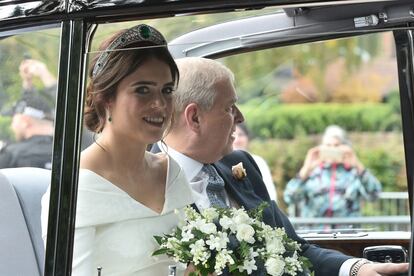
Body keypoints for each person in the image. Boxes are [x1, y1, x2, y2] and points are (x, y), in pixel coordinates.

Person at [154, 57, 408, 276]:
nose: (241, 118)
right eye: (230, 107)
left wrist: (355, 268)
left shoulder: (241, 165)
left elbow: (294, 248)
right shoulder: (145, 182)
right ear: (195, 117)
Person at [41, 24, 194, 275]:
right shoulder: (76, 187)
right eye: (142, 90)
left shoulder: (171, 172)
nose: (160, 104)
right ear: (106, 98)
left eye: (167, 90)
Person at [284, 125, 381, 219]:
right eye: (328, 145)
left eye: (336, 145)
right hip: (314, 233)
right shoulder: (312, 173)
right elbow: (289, 197)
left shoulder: (354, 173)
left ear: (345, 147)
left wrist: (358, 166)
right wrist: (306, 169)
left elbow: (374, 195)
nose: (332, 149)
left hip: (347, 233)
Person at [0, 59, 56, 169]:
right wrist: (42, 74)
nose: (12, 126)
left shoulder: (11, 155)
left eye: (13, 119)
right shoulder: (74, 145)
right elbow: (70, 103)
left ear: (25, 121)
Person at [233, 122, 277, 201]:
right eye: (233, 135)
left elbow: (269, 190)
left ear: (248, 137)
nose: (237, 139)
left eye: (241, 135)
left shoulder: (258, 161)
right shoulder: (219, 163)